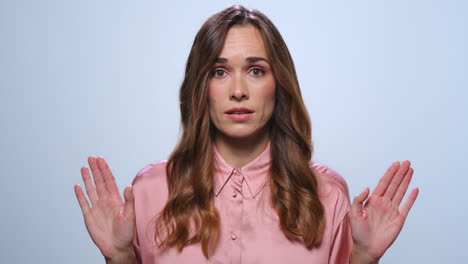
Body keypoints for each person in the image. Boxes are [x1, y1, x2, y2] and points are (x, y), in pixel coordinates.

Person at [74, 5, 419, 264]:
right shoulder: (150, 190)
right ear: (201, 85)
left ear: (278, 83)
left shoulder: (326, 194)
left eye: (256, 70)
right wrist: (118, 256)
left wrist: (363, 256)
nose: (238, 90)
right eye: (220, 71)